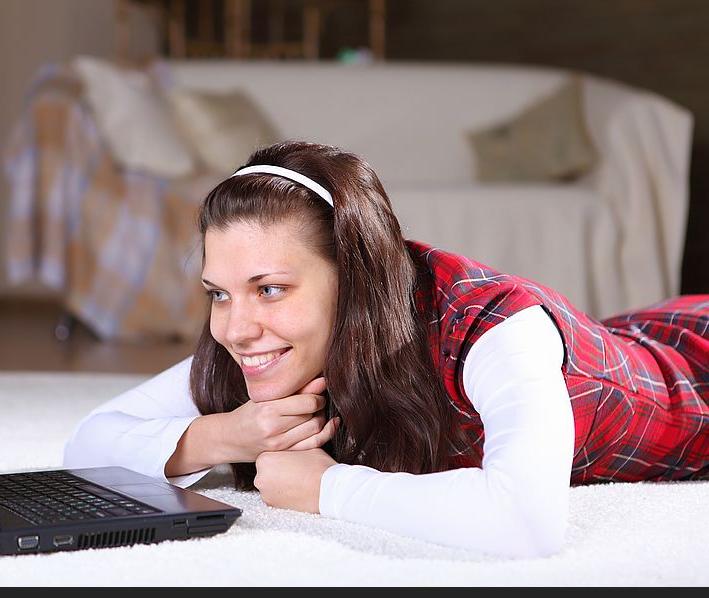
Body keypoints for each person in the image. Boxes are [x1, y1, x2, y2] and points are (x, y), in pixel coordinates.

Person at [64, 141, 709, 558]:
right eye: (220, 293)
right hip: (632, 329)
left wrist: (329, 489)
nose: (235, 329)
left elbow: (528, 522)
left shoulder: (495, 330)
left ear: (356, 282)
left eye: (270, 288)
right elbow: (88, 446)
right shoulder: (260, 343)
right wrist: (223, 437)